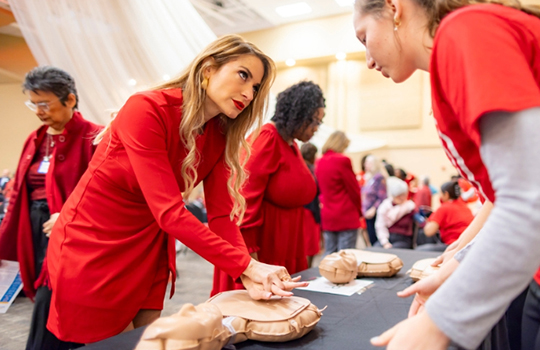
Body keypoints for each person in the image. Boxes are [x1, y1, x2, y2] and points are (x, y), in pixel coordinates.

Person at [354, 0, 540, 350]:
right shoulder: (453, 59)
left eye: (363, 37)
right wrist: (458, 265)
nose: (368, 60)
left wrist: (437, 325)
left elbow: (536, 199)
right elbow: (508, 197)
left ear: (393, 7)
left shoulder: (466, 31)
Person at [45, 35, 306, 346]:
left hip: (147, 247)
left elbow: (222, 216)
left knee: (146, 342)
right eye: (243, 75)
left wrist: (247, 271)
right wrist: (247, 265)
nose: (249, 93)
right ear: (209, 69)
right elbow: (169, 212)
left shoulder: (218, 134)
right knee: (109, 344)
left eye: (257, 87)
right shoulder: (146, 109)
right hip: (94, 243)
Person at [0, 66, 102, 350]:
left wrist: (69, 218)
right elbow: (19, 193)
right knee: (47, 298)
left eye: (44, 103)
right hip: (32, 227)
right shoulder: (35, 139)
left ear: (70, 100)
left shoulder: (94, 137)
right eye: (33, 103)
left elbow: (103, 196)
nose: (37, 110)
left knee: (55, 298)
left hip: (70, 234)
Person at [211, 81, 325, 294]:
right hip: (263, 249)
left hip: (286, 243)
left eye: (320, 121)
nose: (316, 128)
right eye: (314, 120)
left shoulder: (291, 144)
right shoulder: (267, 138)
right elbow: (243, 201)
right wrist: (251, 264)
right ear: (298, 113)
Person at [316, 131, 361, 255]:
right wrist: (359, 210)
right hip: (346, 213)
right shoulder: (343, 160)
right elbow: (353, 189)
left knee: (329, 254)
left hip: (328, 214)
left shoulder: (319, 162)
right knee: (345, 256)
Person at [421, 180, 474, 248]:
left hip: (453, 245)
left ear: (446, 194)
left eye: (441, 193)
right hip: (468, 245)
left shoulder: (444, 208)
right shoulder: (466, 207)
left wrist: (427, 222)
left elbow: (429, 231)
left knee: (421, 249)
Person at [375, 176, 416, 249]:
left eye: (403, 195)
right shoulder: (385, 207)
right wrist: (385, 242)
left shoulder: (410, 207)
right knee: (375, 249)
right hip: (388, 237)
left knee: (391, 251)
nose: (402, 197)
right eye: (399, 195)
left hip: (403, 239)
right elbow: (380, 226)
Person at [301, 142, 322, 267]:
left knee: (309, 244)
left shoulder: (306, 168)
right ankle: (306, 269)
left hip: (307, 209)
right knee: (309, 245)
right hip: (309, 210)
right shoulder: (308, 170)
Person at [360, 154, 387, 246]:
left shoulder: (379, 177)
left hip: (374, 212)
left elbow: (382, 196)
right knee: (370, 236)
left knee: (375, 237)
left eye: (368, 163)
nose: (366, 165)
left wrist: (374, 209)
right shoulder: (368, 177)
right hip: (367, 212)